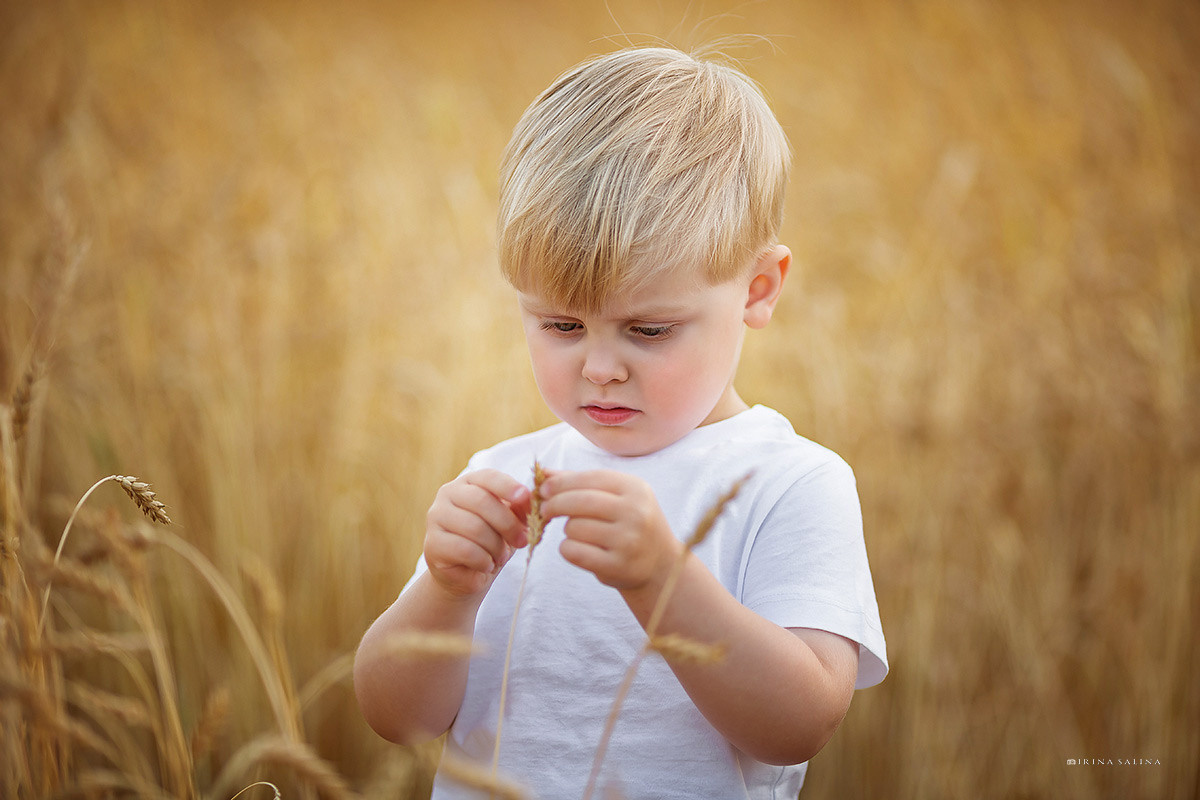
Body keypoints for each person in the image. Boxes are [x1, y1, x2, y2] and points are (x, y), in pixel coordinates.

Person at [353, 45, 887, 799]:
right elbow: (394, 720)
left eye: (649, 330)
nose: (600, 367)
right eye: (561, 327)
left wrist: (665, 583)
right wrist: (445, 588)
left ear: (758, 289)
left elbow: (799, 724)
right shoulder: (502, 478)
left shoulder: (790, 484)